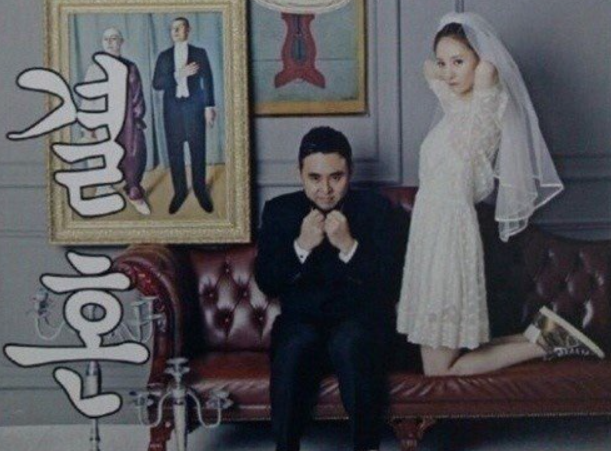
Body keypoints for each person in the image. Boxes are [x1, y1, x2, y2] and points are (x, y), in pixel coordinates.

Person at [396, 12, 605, 376]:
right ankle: (541, 335)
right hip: (428, 238)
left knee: (440, 369)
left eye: (459, 62)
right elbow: (430, 72)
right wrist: (449, 56)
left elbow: (488, 72)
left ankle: (543, 344)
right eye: (444, 63)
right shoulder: (454, 107)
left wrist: (475, 61)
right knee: (442, 359)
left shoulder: (486, 105)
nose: (448, 72)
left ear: (480, 61)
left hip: (449, 237)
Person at [255, 127, 398, 451]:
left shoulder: (376, 208)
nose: (326, 190)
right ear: (300, 174)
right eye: (315, 178)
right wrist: (301, 246)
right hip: (301, 324)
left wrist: (349, 246)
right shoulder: (279, 210)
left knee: (352, 342)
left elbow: (391, 282)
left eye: (336, 177)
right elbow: (266, 280)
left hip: (357, 324)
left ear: (351, 172)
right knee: (294, 346)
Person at [81, 27, 151, 215]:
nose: (110, 42)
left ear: (121, 42)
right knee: (104, 156)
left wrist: (136, 119)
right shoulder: (94, 69)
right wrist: (89, 126)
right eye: (106, 39)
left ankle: (134, 191)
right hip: (103, 122)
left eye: (114, 38)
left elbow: (137, 97)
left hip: (127, 122)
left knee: (133, 155)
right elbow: (88, 99)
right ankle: (104, 188)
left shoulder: (130, 67)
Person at [153, 17, 216, 214]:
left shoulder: (199, 53)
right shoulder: (164, 56)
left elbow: (208, 80)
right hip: (172, 111)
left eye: (179, 28)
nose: (175, 31)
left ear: (188, 30)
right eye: (173, 28)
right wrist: (178, 74)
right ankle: (180, 192)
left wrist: (209, 107)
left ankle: (200, 190)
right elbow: (156, 84)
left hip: (195, 109)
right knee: (175, 153)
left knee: (198, 151)